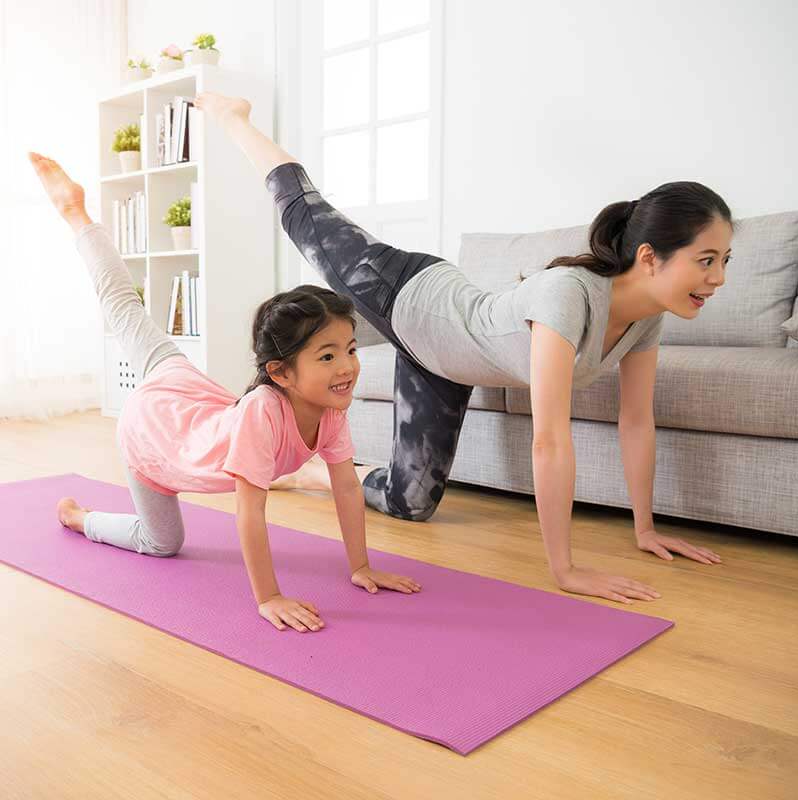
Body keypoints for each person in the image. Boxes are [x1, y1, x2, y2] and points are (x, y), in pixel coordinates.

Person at [192, 91, 725, 606]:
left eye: (725, 259)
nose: (718, 277)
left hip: (443, 363)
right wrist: (565, 570)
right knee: (305, 213)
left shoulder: (646, 321)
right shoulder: (571, 297)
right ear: (651, 257)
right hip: (406, 292)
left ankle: (304, 473)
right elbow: (550, 441)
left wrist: (646, 529)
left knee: (412, 503)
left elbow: (635, 421)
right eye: (706, 260)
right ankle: (234, 117)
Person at [27, 151, 421, 635]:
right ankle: (81, 519)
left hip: (182, 387)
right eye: (327, 356)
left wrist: (360, 566)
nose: (347, 368)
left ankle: (76, 213)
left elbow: (344, 485)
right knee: (161, 542)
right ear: (281, 373)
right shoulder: (262, 412)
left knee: (127, 310)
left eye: (351, 350)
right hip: (154, 432)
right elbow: (251, 515)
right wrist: (269, 597)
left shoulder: (328, 405)